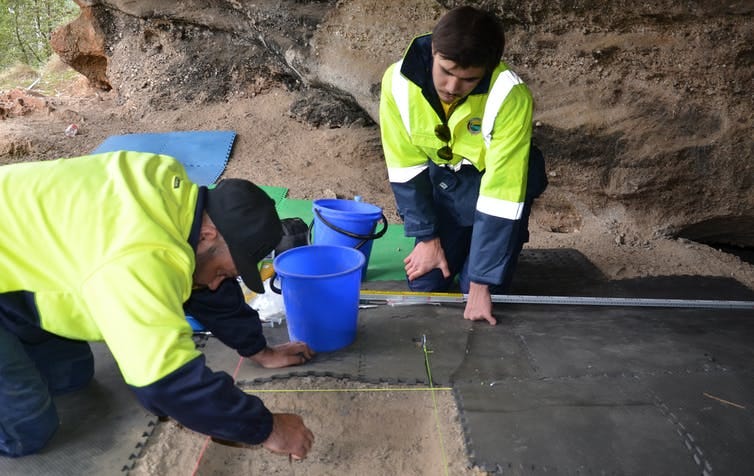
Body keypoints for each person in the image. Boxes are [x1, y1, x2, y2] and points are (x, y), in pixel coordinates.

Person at [0, 151, 315, 459]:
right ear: (208, 234)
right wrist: (268, 428)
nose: (219, 282)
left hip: (23, 258)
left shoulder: (174, 193)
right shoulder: (140, 258)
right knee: (29, 428)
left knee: (70, 378)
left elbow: (206, 286)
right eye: (223, 272)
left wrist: (259, 349)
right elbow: (166, 382)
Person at [379, 6, 548, 325]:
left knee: (480, 290)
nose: (453, 87)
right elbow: (405, 167)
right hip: (446, 181)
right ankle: (458, 244)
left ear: (488, 68)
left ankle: (488, 259)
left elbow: (502, 193)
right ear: (434, 50)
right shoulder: (398, 83)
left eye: (468, 79)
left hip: (495, 183)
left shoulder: (511, 95)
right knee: (425, 282)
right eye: (446, 71)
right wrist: (427, 237)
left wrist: (482, 282)